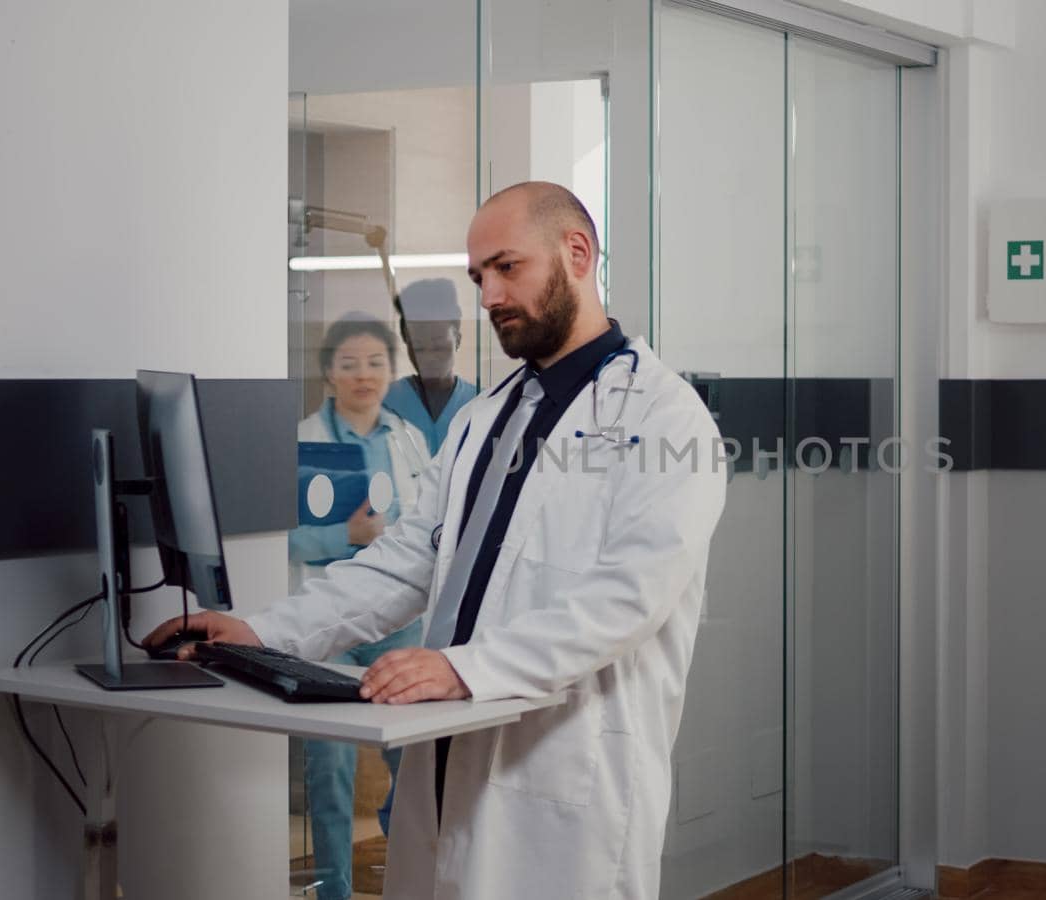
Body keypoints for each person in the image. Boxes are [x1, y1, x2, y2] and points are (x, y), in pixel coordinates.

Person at [147, 181, 727, 899]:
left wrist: (467, 669)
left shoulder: (666, 418)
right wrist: (261, 632)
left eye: (507, 267)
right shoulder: (485, 418)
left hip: (566, 771)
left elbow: (629, 598)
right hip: (447, 751)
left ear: (577, 253)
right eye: (478, 276)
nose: (488, 296)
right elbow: (403, 563)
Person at [289, 313, 433, 900]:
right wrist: (347, 539)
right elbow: (291, 537)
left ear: (391, 372)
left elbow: (428, 527)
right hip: (332, 612)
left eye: (375, 363)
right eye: (349, 364)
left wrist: (392, 537)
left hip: (398, 613)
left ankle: (411, 879)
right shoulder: (306, 439)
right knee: (330, 767)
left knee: (415, 760)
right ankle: (334, 890)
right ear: (328, 374)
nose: (363, 375)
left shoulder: (408, 438)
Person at [384, 278, 479, 457]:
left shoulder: (479, 403)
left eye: (438, 346)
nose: (429, 357)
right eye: (418, 347)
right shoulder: (385, 403)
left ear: (457, 339)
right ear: (406, 342)